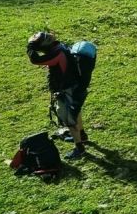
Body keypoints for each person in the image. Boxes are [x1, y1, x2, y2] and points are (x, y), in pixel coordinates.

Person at [27, 31, 94, 160]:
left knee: (69, 119)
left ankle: (79, 149)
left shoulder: (57, 53)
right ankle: (82, 135)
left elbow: (35, 60)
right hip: (76, 88)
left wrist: (30, 47)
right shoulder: (60, 47)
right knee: (76, 112)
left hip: (67, 90)